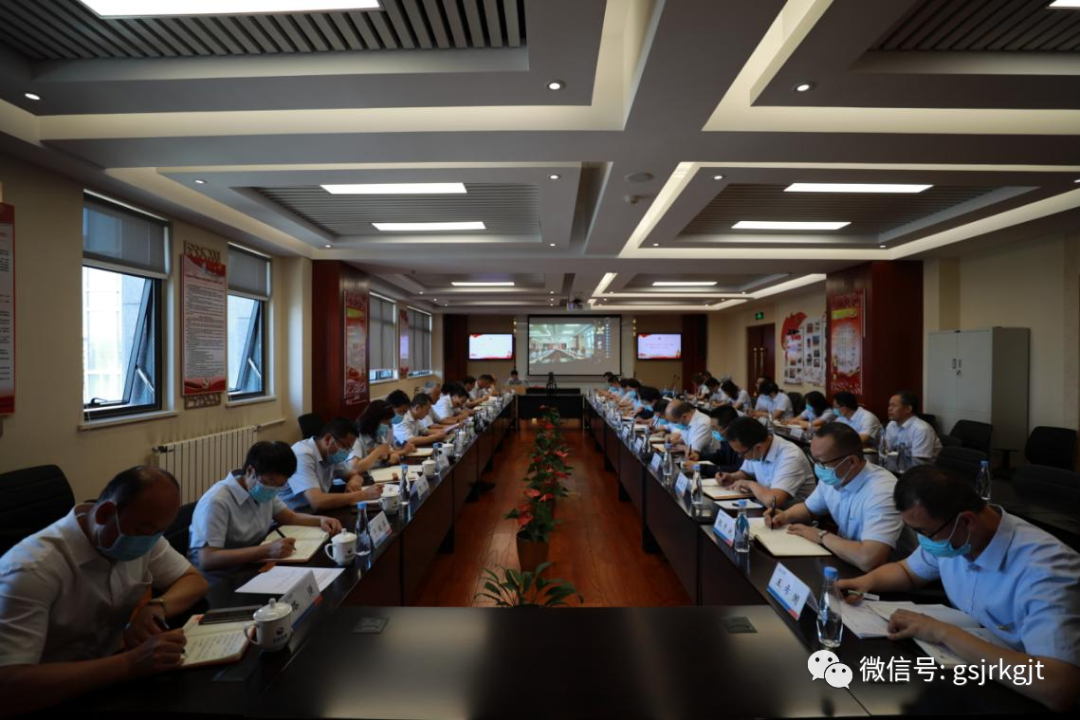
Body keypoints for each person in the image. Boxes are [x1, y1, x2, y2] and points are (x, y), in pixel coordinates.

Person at [837, 466, 1080, 712]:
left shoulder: (1045, 571)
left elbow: (1057, 687)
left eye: (925, 533)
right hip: (975, 672)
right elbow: (908, 572)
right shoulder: (956, 535)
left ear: (966, 521)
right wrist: (865, 582)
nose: (924, 541)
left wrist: (941, 632)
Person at [0, 467, 209, 715]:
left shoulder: (141, 532)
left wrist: (156, 606)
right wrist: (130, 664)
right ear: (105, 514)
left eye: (158, 532)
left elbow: (193, 580)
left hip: (108, 682)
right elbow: (9, 686)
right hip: (48, 699)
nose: (149, 540)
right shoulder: (30, 570)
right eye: (144, 531)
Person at [763, 423, 911, 571]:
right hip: (847, 559)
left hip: (889, 573)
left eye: (821, 462)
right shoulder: (835, 476)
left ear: (851, 461)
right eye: (814, 460)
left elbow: (869, 559)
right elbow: (808, 509)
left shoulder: (882, 491)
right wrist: (784, 516)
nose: (817, 467)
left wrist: (822, 536)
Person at [189, 442, 344, 574]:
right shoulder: (217, 501)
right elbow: (207, 559)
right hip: (222, 580)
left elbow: (289, 517)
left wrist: (320, 520)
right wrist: (266, 550)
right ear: (250, 471)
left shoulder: (262, 490)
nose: (273, 489)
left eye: (280, 485)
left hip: (254, 565)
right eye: (270, 482)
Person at [279, 418, 380, 512]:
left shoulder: (329, 455)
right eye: (345, 446)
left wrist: (354, 482)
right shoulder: (303, 455)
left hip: (316, 513)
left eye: (349, 448)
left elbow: (354, 474)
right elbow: (317, 501)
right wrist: (363, 494)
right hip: (293, 516)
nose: (346, 452)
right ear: (328, 439)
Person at [719, 416, 815, 508]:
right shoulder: (755, 448)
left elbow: (773, 502)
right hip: (766, 509)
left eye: (741, 453)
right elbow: (746, 473)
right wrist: (731, 477)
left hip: (791, 515)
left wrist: (750, 484)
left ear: (758, 447)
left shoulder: (791, 457)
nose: (740, 457)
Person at [883, 390, 942, 464]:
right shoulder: (892, 424)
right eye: (889, 405)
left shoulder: (921, 429)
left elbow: (919, 463)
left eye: (894, 405)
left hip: (923, 469)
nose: (889, 409)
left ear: (908, 409)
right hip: (898, 465)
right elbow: (887, 450)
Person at [353, 400, 414, 469]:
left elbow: (390, 453)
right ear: (374, 421)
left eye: (389, 422)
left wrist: (388, 458)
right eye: (386, 422)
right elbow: (356, 467)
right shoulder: (356, 438)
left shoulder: (377, 435)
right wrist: (378, 452)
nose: (387, 426)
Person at [698, 405, 743, 475]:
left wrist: (701, 468)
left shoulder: (744, 441)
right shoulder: (727, 439)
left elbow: (737, 469)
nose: (713, 431)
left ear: (729, 427)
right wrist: (700, 457)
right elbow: (721, 456)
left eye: (715, 428)